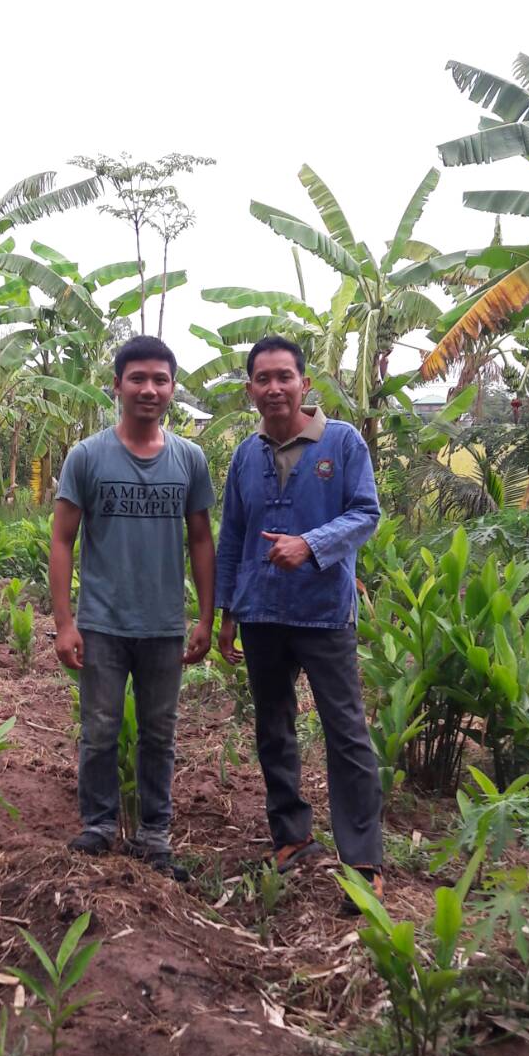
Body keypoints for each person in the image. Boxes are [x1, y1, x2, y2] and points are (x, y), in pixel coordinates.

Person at [215, 334, 383, 899]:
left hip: (324, 612)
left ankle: (362, 859)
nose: (274, 387)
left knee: (346, 731)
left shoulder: (343, 442)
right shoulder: (246, 455)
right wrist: (226, 610)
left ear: (304, 383)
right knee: (273, 726)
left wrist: (310, 544)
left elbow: (366, 513)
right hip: (260, 613)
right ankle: (291, 836)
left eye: (284, 376)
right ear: (250, 390)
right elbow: (233, 535)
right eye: (262, 379)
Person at [50, 335, 216, 878]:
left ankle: (153, 835)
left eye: (160, 380)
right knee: (99, 729)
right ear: (117, 385)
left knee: (159, 734)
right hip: (102, 623)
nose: (149, 389)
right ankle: (99, 826)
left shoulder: (189, 459)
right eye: (138, 378)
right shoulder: (87, 456)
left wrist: (206, 616)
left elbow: (200, 540)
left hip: (164, 625)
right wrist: (64, 622)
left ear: (172, 388)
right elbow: (62, 540)